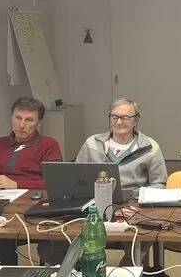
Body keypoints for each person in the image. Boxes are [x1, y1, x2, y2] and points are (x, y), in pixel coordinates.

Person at [38, 98, 167, 265]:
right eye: (114, 117)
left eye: (125, 117)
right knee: (52, 242)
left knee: (140, 239)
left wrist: (137, 202)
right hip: (91, 207)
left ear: (136, 120)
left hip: (131, 209)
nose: (119, 122)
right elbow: (74, 177)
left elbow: (160, 183)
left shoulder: (150, 147)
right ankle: (78, 271)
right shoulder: (92, 143)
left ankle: (124, 275)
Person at [0, 96, 63, 265]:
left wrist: (15, 184)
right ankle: (6, 272)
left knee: (52, 241)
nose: (21, 125)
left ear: (39, 123)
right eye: (18, 118)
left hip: (31, 205)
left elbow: (56, 183)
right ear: (11, 117)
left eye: (29, 120)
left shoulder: (48, 145)